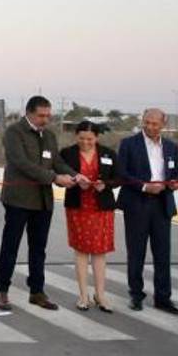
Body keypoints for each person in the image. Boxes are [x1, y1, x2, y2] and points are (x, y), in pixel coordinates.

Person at [0, 96, 83, 312]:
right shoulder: (14, 132)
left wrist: (76, 176)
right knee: (10, 246)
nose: (45, 119)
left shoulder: (50, 135)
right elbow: (22, 163)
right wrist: (54, 178)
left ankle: (37, 291)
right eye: (41, 115)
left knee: (38, 248)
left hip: (43, 201)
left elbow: (58, 162)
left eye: (48, 115)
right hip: (18, 199)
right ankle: (2, 289)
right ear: (29, 113)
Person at [117, 108, 178, 314]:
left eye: (154, 123)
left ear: (163, 124)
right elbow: (122, 174)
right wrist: (145, 186)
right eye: (147, 122)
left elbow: (176, 174)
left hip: (162, 204)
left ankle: (163, 298)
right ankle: (136, 295)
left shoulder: (172, 147)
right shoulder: (129, 144)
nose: (150, 127)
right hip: (137, 203)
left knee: (163, 253)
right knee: (136, 252)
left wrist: (174, 183)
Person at [59, 120, 119, 312]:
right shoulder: (67, 154)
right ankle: (83, 295)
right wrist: (75, 181)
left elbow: (118, 178)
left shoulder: (108, 153)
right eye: (82, 138)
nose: (86, 142)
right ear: (76, 136)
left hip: (101, 208)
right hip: (79, 207)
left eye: (90, 139)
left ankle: (100, 294)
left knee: (100, 252)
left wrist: (106, 184)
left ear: (97, 138)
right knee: (81, 251)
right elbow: (59, 177)